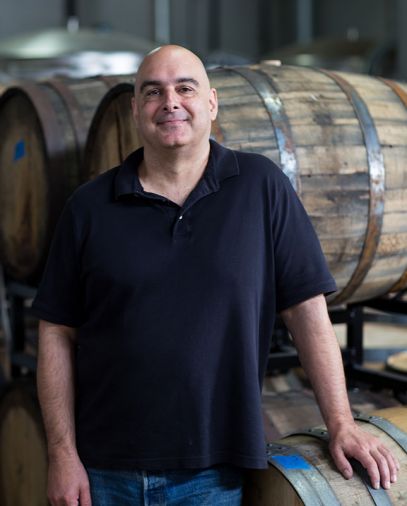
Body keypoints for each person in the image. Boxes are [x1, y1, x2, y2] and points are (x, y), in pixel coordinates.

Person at [32, 45, 399, 506]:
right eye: (153, 92)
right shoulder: (88, 206)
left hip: (213, 474)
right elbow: (56, 332)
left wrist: (342, 424)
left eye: (185, 88)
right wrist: (62, 454)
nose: (170, 102)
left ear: (211, 103)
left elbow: (308, 313)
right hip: (103, 470)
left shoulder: (260, 187)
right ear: (133, 110)